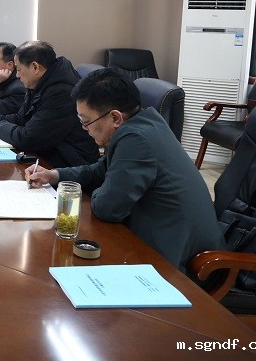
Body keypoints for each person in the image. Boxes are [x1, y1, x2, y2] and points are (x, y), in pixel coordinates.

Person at [26, 69, 225, 272]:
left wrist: (102, 189)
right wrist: (54, 175)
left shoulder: (136, 140)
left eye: (86, 122)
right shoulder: (146, 122)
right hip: (163, 243)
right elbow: (99, 171)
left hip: (180, 265)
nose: (85, 129)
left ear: (115, 117)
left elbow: (108, 208)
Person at [0, 40, 98, 168]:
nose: (16, 75)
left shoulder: (61, 92)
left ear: (35, 67)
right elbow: (20, 118)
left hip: (69, 163)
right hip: (48, 154)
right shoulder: (40, 82)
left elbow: (29, 138)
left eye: (19, 69)